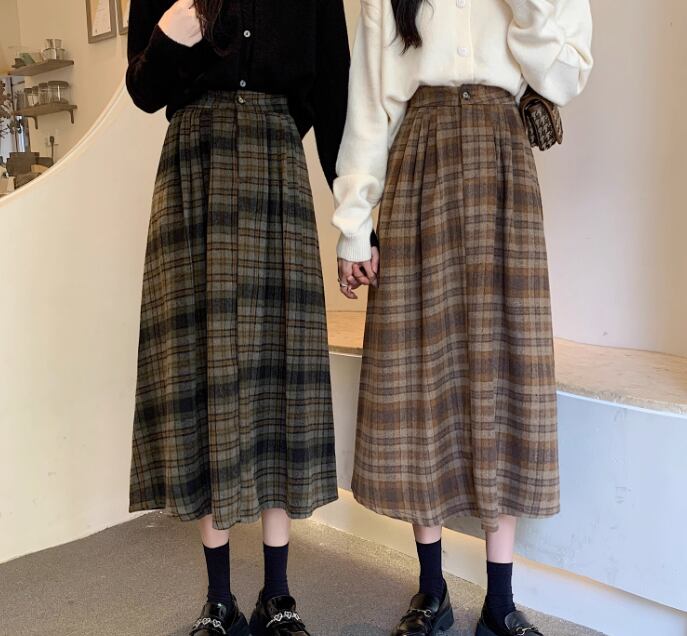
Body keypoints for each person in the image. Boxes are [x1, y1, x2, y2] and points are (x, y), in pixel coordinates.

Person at [333, 1, 593, 634]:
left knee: (506, 371)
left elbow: (564, 78)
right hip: (418, 160)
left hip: (503, 160)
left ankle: (500, 603)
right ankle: (432, 591)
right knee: (422, 374)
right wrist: (354, 226)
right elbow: (369, 103)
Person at [126, 1, 350, 634]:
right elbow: (143, 90)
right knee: (201, 373)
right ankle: (218, 597)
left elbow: (335, 96)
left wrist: (358, 223)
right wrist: (169, 36)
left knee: (281, 372)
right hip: (193, 164)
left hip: (277, 161)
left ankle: (278, 595)